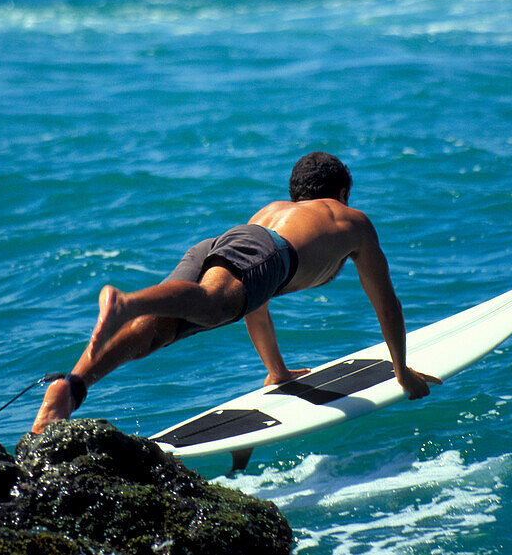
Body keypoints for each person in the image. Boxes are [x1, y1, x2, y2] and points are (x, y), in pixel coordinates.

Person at [32, 151, 440, 434]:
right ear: (343, 193)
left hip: (222, 241)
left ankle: (70, 388)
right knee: (211, 307)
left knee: (155, 332)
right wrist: (401, 372)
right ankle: (127, 302)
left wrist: (278, 372)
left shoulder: (273, 211)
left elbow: (255, 300)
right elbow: (386, 302)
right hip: (266, 254)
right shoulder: (351, 220)